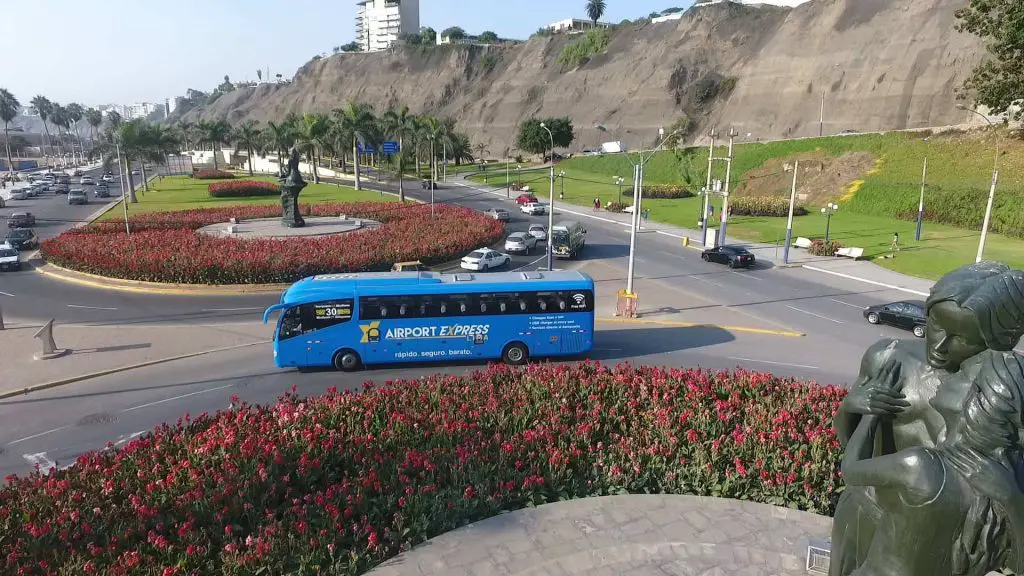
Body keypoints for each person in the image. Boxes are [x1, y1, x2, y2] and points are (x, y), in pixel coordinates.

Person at [829, 261, 1024, 575]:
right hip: (867, 508)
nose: (941, 344)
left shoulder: (997, 391)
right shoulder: (889, 357)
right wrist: (853, 407)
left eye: (963, 338)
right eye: (936, 324)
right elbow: (847, 444)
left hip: (937, 536)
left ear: (998, 340)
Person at [837, 350, 1024, 576]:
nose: (950, 375)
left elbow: (850, 469)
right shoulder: (1005, 489)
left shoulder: (923, 468)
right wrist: (1011, 498)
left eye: (964, 375)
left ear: (977, 403)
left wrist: (871, 413)